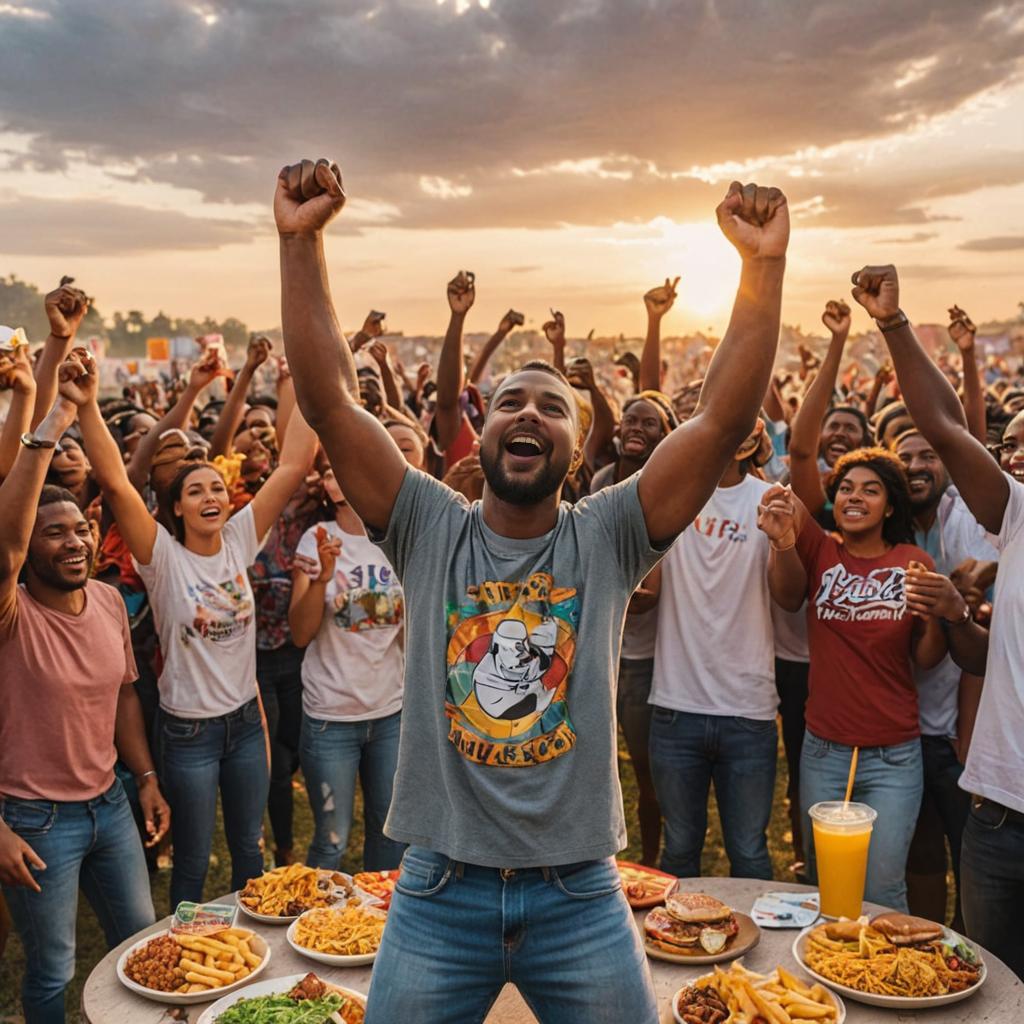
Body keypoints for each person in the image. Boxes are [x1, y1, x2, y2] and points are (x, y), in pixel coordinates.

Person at [275, 157, 789, 1023]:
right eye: (509, 400)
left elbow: (721, 423)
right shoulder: (427, 524)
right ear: (478, 436)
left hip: (579, 894)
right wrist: (300, 243)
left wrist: (761, 267)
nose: (527, 413)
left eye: (552, 408)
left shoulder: (610, 534)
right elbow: (330, 404)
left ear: (575, 452)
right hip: (438, 889)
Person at [61, 347, 317, 907]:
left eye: (216, 489)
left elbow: (294, 464)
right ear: (175, 507)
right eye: (194, 490)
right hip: (189, 737)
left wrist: (315, 376)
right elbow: (116, 482)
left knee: (250, 853)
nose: (210, 497)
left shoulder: (238, 540)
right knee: (194, 863)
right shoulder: (162, 557)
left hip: (246, 725)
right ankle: (187, 974)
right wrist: (84, 407)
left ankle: (253, 966)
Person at [863, 263, 1024, 978]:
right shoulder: (1018, 518)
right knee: (988, 983)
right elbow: (947, 429)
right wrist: (894, 324)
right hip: (996, 808)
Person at [0, 373, 169, 1024]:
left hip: (110, 805)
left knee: (139, 944)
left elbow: (124, 698)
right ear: (27, 550)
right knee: (53, 969)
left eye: (79, 530)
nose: (73, 542)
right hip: (37, 823)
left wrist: (146, 777)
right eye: (54, 534)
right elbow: (7, 541)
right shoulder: (11, 612)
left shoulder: (105, 599)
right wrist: (48, 418)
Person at [758, 447, 947, 911]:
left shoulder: (912, 560)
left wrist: (938, 616)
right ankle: (830, 983)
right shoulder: (821, 549)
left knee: (882, 892)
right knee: (826, 887)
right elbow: (785, 598)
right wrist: (782, 541)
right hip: (824, 751)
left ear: (890, 504)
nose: (855, 496)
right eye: (845, 488)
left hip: (894, 758)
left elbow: (926, 657)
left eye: (870, 489)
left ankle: (885, 982)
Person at [648, 421, 779, 880]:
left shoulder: (771, 500)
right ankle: (669, 945)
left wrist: (784, 541)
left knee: (749, 850)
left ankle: (764, 951)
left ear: (755, 440)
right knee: (680, 848)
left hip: (747, 710)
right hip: (675, 705)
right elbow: (646, 590)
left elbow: (790, 595)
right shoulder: (673, 496)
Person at [893, 426, 996, 928]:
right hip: (903, 729)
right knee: (922, 852)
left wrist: (971, 723)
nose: (916, 465)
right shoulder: (883, 528)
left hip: (960, 729)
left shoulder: (967, 519)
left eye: (928, 455)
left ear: (949, 469)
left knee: (970, 856)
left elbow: (988, 583)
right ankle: (929, 943)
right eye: (904, 456)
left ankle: (971, 952)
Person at [290, 466, 406, 871]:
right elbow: (300, 634)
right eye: (330, 471)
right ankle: (315, 925)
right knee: (331, 840)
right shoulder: (316, 539)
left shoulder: (397, 540)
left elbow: (406, 637)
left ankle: (378, 927)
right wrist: (322, 579)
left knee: (391, 833)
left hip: (390, 715)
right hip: (331, 720)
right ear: (326, 486)